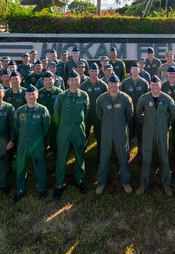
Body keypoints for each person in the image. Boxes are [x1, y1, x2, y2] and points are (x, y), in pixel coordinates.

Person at [136, 76, 175, 196]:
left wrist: (166, 123)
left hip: (162, 131)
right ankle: (143, 184)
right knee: (147, 156)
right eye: (153, 85)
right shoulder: (144, 98)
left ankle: (166, 184)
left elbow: (173, 113)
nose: (155, 88)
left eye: (157, 85)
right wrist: (146, 122)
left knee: (164, 156)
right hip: (148, 130)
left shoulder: (167, 99)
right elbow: (138, 112)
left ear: (160, 86)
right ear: (150, 85)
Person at [53, 70, 90, 200]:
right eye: (71, 80)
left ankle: (80, 181)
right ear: (67, 81)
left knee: (80, 155)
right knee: (61, 156)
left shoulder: (84, 95)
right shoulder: (61, 96)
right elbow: (56, 114)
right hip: (64, 128)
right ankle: (59, 185)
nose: (74, 83)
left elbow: (86, 111)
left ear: (79, 81)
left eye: (76, 80)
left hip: (78, 128)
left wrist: (78, 123)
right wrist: (63, 124)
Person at [95, 75, 134, 195]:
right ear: (108, 84)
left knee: (123, 155)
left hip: (121, 130)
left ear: (119, 84)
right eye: (111, 83)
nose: (113, 86)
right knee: (104, 155)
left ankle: (126, 181)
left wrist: (120, 124)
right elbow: (99, 114)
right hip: (106, 131)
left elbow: (129, 114)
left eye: (115, 83)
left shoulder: (126, 99)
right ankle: (101, 182)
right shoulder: (101, 99)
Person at [12, 85, 49, 202]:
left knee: (39, 164)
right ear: (25, 96)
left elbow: (46, 127)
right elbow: (16, 127)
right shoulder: (20, 111)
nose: (31, 96)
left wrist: (38, 137)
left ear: (37, 95)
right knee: (21, 165)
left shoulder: (43, 110)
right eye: (28, 94)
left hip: (37, 141)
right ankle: (20, 190)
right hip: (23, 141)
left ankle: (42, 189)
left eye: (33, 94)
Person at [120, 64, 149, 159]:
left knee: (141, 135)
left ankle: (141, 155)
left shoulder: (144, 82)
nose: (135, 70)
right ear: (130, 70)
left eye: (137, 69)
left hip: (140, 113)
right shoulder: (125, 83)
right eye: (133, 69)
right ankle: (125, 155)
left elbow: (148, 98)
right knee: (127, 134)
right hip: (128, 113)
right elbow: (121, 97)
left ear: (139, 70)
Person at [81, 64, 108, 154]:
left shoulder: (103, 85)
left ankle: (100, 155)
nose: (94, 73)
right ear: (88, 72)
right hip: (87, 115)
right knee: (84, 135)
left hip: (98, 115)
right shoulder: (83, 85)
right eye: (92, 71)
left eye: (95, 71)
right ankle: (81, 154)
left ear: (98, 72)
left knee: (100, 136)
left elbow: (107, 99)